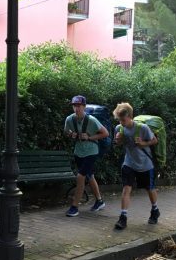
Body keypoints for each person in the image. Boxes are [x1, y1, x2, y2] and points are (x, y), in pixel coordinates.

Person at [113, 102, 160, 230]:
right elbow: (118, 143)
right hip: (129, 163)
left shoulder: (142, 128)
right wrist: (118, 140)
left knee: (149, 189)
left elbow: (155, 141)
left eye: (123, 119)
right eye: (119, 119)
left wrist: (143, 143)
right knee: (126, 189)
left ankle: (155, 210)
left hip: (145, 164)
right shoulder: (119, 128)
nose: (121, 122)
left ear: (130, 116)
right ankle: (123, 218)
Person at [64, 95, 109, 217]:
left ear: (84, 106)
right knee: (89, 175)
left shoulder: (92, 120)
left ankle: (74, 207)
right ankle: (99, 201)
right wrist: (71, 135)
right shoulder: (69, 119)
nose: (76, 108)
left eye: (79, 106)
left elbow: (105, 133)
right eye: (74, 106)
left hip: (91, 151)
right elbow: (66, 132)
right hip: (78, 152)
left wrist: (89, 137)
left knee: (80, 177)